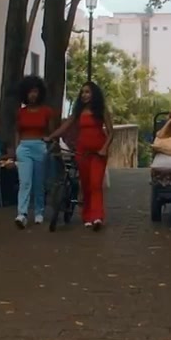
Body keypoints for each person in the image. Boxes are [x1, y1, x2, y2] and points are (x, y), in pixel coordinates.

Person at [50, 82, 113, 230]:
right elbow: (65, 126)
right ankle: (87, 215)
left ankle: (97, 216)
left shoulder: (101, 110)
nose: (84, 95)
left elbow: (111, 133)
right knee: (85, 185)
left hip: (98, 152)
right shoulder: (78, 111)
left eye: (88, 92)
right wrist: (51, 136)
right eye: (83, 92)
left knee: (96, 184)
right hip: (82, 152)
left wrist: (104, 148)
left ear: (94, 94)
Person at [14, 75, 55, 228]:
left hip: (40, 147)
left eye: (35, 91)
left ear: (40, 93)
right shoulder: (21, 112)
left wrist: (48, 143)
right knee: (25, 182)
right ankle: (22, 213)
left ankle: (39, 211)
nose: (32, 95)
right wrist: (16, 148)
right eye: (30, 92)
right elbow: (17, 131)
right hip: (24, 147)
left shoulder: (47, 111)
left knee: (39, 183)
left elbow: (51, 132)